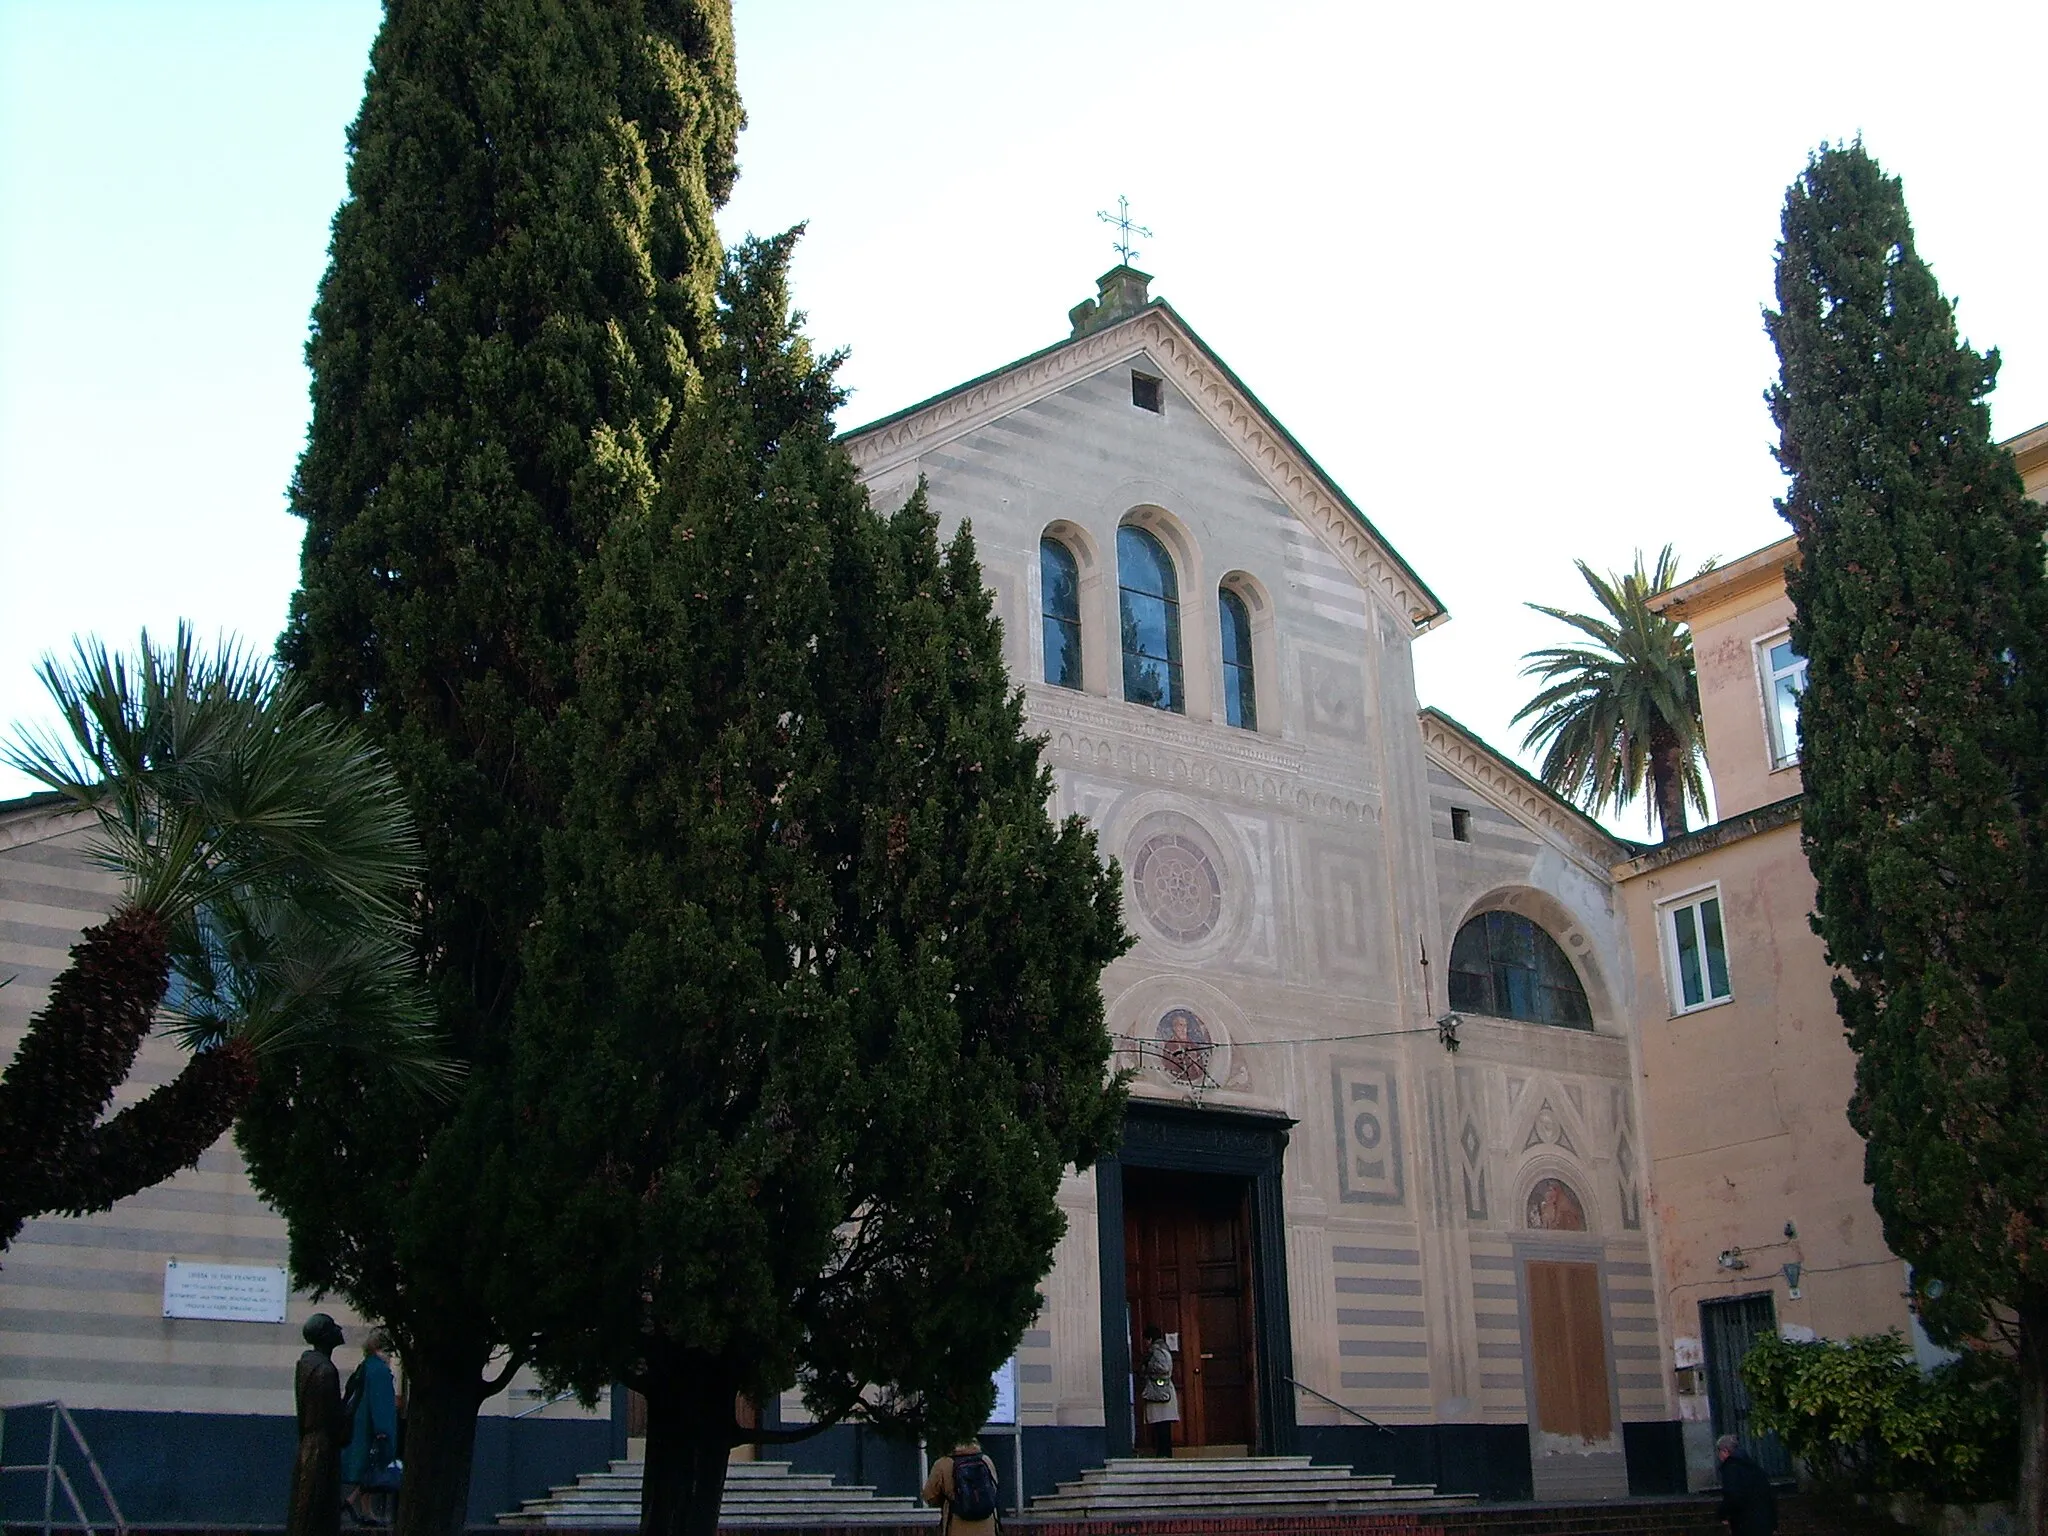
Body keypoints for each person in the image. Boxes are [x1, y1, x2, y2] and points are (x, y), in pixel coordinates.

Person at [286, 1314, 352, 1536]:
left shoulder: (306, 1365)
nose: (339, 1331)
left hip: (309, 1443)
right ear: (326, 1336)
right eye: (333, 1328)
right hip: (323, 1449)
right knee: (317, 1510)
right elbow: (334, 1421)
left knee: (305, 1508)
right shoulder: (326, 1371)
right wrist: (352, 1400)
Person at [341, 1330, 400, 1526]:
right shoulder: (380, 1371)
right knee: (373, 1468)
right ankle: (360, 1507)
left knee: (367, 1469)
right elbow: (381, 1402)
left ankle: (362, 1508)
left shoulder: (365, 1366)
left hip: (360, 1424)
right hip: (373, 1427)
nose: (390, 1356)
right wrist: (383, 1430)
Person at [921, 1439, 999, 1536]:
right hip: (987, 1527)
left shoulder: (943, 1463)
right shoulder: (986, 1460)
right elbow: (994, 1488)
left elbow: (929, 1496)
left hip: (956, 1526)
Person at [1716, 1432, 1778, 1536]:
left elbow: (1732, 1495)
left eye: (1719, 1452)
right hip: (1764, 1523)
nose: (1719, 1456)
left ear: (1725, 1451)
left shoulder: (1731, 1468)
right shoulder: (1754, 1467)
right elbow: (1769, 1496)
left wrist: (1722, 1514)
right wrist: (1773, 1524)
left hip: (1744, 1523)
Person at [1139, 1324, 1179, 1458]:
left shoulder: (1156, 1351)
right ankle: (1165, 1453)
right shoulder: (1164, 1349)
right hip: (1164, 1390)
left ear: (1150, 1339)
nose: (1145, 1343)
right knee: (1163, 1425)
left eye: (1146, 1340)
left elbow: (1163, 1368)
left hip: (1159, 1391)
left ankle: (1163, 1453)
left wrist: (1147, 1369)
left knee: (1161, 1425)